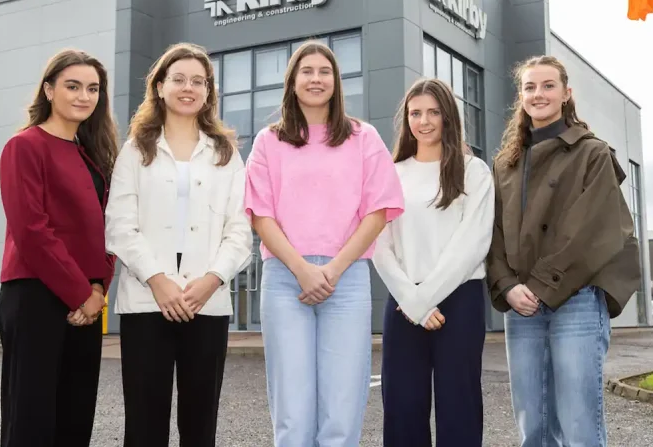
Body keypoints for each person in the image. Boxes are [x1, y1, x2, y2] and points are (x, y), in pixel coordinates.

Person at [244, 40, 404, 447]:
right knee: (292, 409)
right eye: (307, 71)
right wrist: (302, 269)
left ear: (336, 81)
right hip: (286, 279)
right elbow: (260, 214)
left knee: (342, 406)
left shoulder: (363, 137)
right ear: (292, 81)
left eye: (325, 71)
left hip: (346, 279)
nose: (316, 79)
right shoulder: (268, 141)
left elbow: (378, 211)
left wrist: (332, 270)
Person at [486, 55, 641, 447]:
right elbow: (492, 233)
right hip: (521, 305)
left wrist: (539, 286)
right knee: (533, 428)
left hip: (577, 300)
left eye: (548, 85)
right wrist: (506, 286)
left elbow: (592, 233)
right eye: (530, 87)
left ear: (566, 93)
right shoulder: (505, 164)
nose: (538, 94)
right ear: (521, 97)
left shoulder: (593, 154)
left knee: (579, 427)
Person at [104, 43, 252, 447]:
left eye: (198, 82)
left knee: (200, 424)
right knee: (144, 425)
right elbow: (120, 225)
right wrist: (158, 280)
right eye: (179, 79)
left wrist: (212, 279)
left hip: (207, 302)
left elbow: (240, 230)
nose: (189, 88)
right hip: (147, 301)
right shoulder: (135, 150)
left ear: (208, 91)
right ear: (160, 86)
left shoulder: (225, 154)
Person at [0, 49, 119, 447]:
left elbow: (108, 228)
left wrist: (99, 288)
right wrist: (82, 293)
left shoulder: (94, 156)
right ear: (49, 90)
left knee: (75, 416)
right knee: (31, 421)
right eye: (73, 86)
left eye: (93, 89)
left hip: (88, 300)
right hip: (35, 295)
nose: (84, 96)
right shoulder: (24, 146)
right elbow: (31, 230)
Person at [373, 78, 494, 447]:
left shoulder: (474, 171)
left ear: (448, 117)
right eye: (415, 113)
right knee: (402, 407)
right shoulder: (391, 173)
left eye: (433, 112)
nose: (423, 121)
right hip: (403, 300)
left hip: (459, 299)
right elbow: (378, 244)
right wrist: (413, 300)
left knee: (459, 406)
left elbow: (472, 243)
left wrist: (424, 300)